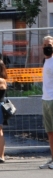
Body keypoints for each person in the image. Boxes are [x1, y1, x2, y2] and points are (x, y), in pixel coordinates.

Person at [39, 35, 53, 169]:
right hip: (46, 99)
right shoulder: (46, 61)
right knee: (50, 132)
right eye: (45, 45)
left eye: (49, 45)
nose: (47, 47)